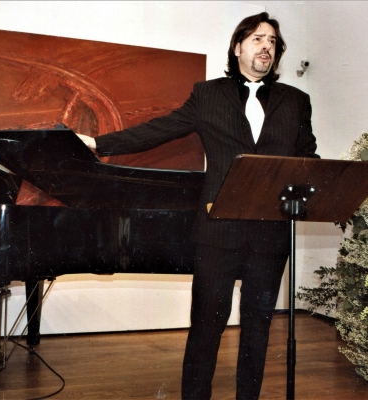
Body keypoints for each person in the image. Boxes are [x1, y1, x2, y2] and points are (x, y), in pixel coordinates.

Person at [77, 12, 319, 399]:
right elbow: (159, 129)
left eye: (272, 41)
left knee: (258, 328)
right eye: (257, 39)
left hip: (271, 233)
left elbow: (308, 157)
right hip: (217, 230)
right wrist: (99, 143)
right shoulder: (208, 95)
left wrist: (320, 185)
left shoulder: (296, 101)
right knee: (207, 327)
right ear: (238, 47)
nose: (266, 47)